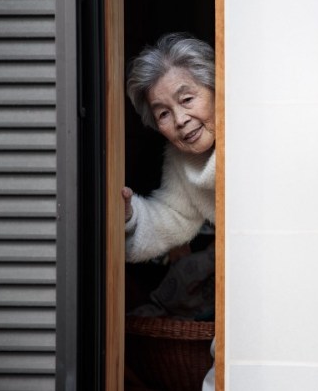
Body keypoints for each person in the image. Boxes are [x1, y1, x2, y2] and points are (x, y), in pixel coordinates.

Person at [123, 33, 216, 391]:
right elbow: (173, 217)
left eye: (188, 98)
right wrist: (129, 214)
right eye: (163, 113)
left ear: (216, 88)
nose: (179, 119)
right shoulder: (183, 161)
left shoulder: (257, 130)